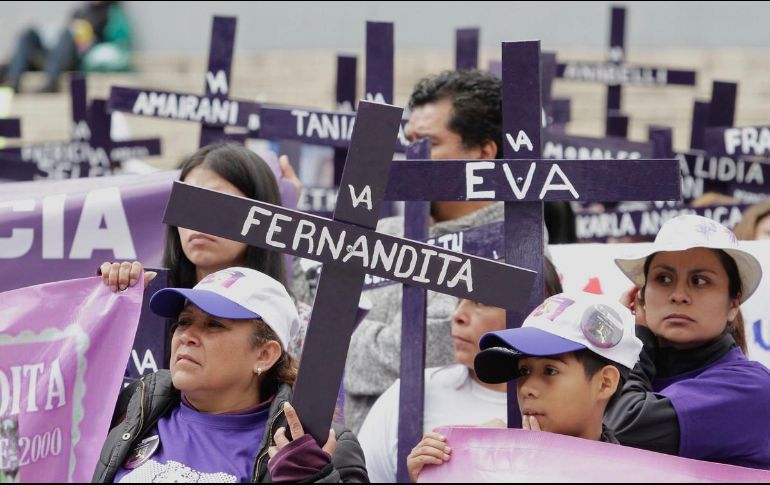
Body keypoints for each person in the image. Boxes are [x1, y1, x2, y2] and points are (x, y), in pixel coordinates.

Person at [293, 69, 571, 433]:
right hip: (333, 453)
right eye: (408, 143)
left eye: (428, 144)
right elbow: (299, 327)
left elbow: (414, 352)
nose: (412, 158)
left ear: (484, 153)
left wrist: (333, 332)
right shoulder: (384, 230)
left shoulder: (515, 245)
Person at [92, 267, 368, 482]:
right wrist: (102, 304)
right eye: (184, 321)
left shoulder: (315, 446)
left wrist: (316, 482)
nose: (187, 335)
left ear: (264, 355)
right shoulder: (133, 406)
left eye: (213, 325)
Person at [358, 258, 563, 483]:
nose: (458, 315)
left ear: (537, 310)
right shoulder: (408, 393)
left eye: (482, 302)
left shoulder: (572, 406)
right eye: (459, 299)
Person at [405, 291, 643, 482]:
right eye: (523, 371)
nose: (526, 388)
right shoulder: (492, 466)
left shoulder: (637, 475)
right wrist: (435, 476)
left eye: (550, 370)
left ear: (605, 383)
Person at [605, 214, 770, 469]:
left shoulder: (752, 387)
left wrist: (637, 340)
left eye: (701, 281)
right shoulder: (621, 371)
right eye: (664, 279)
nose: (679, 295)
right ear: (641, 298)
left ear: (733, 304)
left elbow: (621, 428)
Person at [2, 1, 132, 93]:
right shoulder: (80, 10)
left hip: (79, 54)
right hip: (57, 53)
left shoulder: (112, 12)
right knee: (28, 34)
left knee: (69, 33)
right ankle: (14, 79)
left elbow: (118, 42)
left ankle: (52, 82)